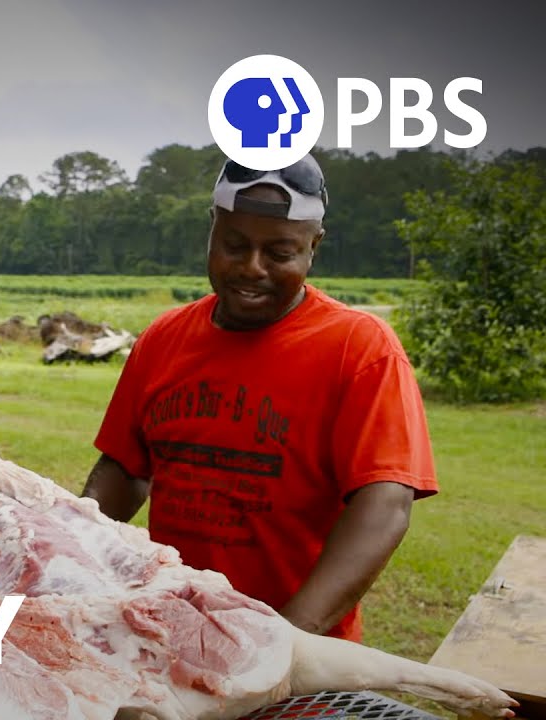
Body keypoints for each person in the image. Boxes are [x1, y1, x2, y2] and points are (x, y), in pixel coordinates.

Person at [82, 154, 436, 643]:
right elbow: (125, 469)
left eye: (279, 253)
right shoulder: (164, 338)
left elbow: (385, 505)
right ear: (212, 230)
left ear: (314, 247)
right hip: (170, 637)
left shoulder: (359, 348)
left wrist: (285, 641)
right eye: (234, 245)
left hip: (299, 664)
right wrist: (70, 550)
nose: (251, 269)